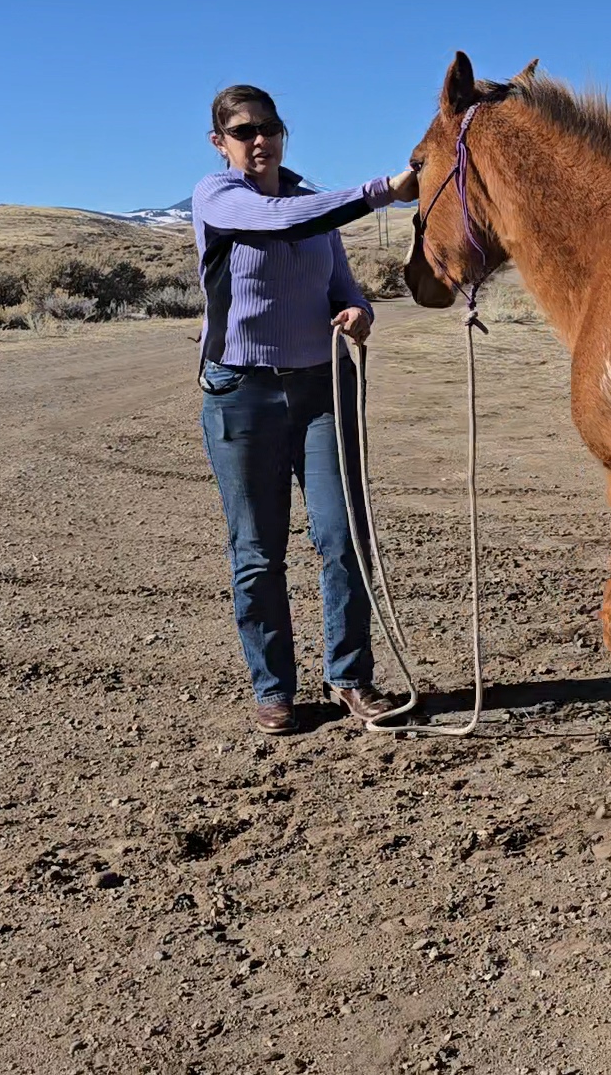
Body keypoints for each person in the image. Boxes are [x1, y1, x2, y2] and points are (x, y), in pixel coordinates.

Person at [192, 84, 418, 734]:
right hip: (242, 393)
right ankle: (273, 688)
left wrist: (358, 311)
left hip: (323, 387)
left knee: (343, 536)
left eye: (270, 127)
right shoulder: (220, 199)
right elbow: (284, 222)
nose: (259, 140)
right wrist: (384, 191)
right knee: (258, 550)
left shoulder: (310, 203)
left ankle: (350, 676)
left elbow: (342, 285)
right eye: (243, 132)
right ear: (220, 144)